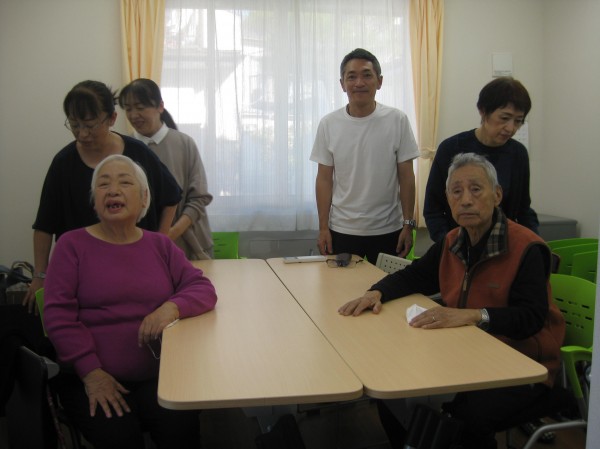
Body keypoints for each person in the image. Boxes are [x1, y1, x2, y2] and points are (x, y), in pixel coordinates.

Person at [338, 153, 565, 449]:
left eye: (476, 189)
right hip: (467, 352)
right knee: (393, 389)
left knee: (467, 417)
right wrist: (376, 292)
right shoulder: (453, 241)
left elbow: (530, 319)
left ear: (497, 195)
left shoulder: (527, 247)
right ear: (448, 199)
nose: (466, 200)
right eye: (456, 191)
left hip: (524, 365)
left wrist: (474, 315)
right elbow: (415, 276)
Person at [43, 154, 217, 449]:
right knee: (120, 437)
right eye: (103, 185)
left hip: (158, 374)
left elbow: (202, 288)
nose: (113, 190)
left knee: (181, 429)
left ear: (144, 197)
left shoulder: (160, 245)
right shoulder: (71, 245)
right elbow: (58, 316)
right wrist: (91, 372)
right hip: (91, 375)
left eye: (125, 183)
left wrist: (170, 308)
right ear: (95, 200)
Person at [25, 80, 182, 312]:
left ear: (111, 118)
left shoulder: (138, 153)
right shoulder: (64, 163)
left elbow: (172, 196)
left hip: (137, 268)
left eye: (90, 125)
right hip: (85, 277)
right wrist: (40, 275)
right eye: (75, 125)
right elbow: (44, 224)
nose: (82, 134)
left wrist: (160, 241)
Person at [310, 48, 420, 263]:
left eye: (367, 75)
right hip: (342, 229)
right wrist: (323, 228)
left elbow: (407, 177)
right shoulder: (329, 124)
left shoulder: (397, 120)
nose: (359, 83)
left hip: (389, 229)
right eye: (351, 77)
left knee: (388, 284)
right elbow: (324, 179)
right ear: (342, 84)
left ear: (379, 81)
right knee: (342, 284)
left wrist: (408, 224)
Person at [424, 76, 539, 244]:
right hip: (457, 244)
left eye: (518, 121)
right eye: (504, 118)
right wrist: (448, 244)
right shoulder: (451, 148)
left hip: (502, 245)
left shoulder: (518, 153)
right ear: (483, 111)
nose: (511, 128)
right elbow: (433, 209)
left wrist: (536, 244)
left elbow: (523, 210)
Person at [118, 78, 214, 259]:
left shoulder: (184, 143)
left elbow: (199, 198)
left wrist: (169, 235)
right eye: (128, 109)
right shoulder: (123, 147)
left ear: (160, 106)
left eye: (140, 107)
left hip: (189, 245)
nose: (133, 115)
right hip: (138, 247)